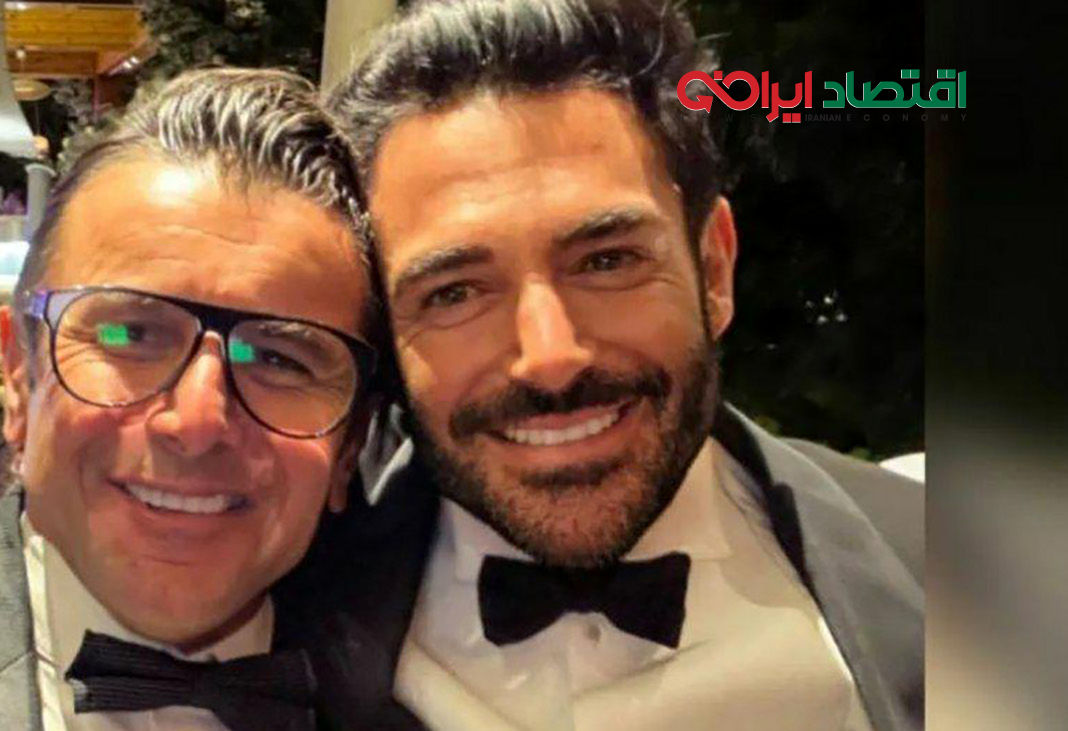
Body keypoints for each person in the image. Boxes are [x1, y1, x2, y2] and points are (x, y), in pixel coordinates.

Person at [323, 1, 924, 729]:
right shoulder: (281, 605)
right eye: (454, 292)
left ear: (714, 269)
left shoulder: (951, 566)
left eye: (607, 261)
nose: (551, 358)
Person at [0, 68, 385, 731]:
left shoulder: (413, 698)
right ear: (21, 377)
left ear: (349, 446)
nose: (196, 423)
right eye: (131, 334)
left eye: (280, 359)